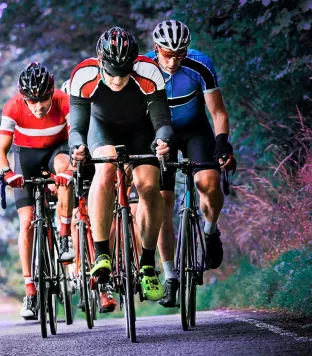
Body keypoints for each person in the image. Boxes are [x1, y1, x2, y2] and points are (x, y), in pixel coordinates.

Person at [68, 27, 173, 302]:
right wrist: (77, 148)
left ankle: (148, 264)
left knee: (149, 186)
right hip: (101, 129)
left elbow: (162, 123)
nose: (117, 80)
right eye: (112, 72)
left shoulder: (149, 71)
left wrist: (162, 141)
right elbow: (77, 127)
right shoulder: (83, 74)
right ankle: (102, 253)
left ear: (133, 65)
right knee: (105, 169)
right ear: (100, 63)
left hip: (141, 131)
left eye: (124, 73)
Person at [145, 20, 237, 307]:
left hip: (195, 130)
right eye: (167, 54)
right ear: (156, 48)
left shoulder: (200, 64)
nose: (173, 61)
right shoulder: (144, 69)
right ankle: (171, 276)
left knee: (206, 182)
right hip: (160, 135)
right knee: (161, 202)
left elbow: (218, 112)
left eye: (180, 54)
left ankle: (210, 231)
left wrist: (222, 143)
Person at [0, 62, 75, 319]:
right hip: (25, 157)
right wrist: (8, 174)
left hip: (57, 151)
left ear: (52, 92)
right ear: (23, 97)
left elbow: (77, 137)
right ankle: (30, 292)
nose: (38, 106)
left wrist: (71, 170)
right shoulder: (13, 107)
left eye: (43, 99)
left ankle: (64, 236)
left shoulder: (64, 101)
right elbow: (0, 150)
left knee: (64, 168)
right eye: (32, 100)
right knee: (27, 222)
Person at [62, 80, 118, 313]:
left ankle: (105, 282)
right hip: (74, 167)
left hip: (96, 163)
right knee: (77, 216)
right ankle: (77, 267)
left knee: (106, 218)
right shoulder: (62, 116)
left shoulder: (94, 110)